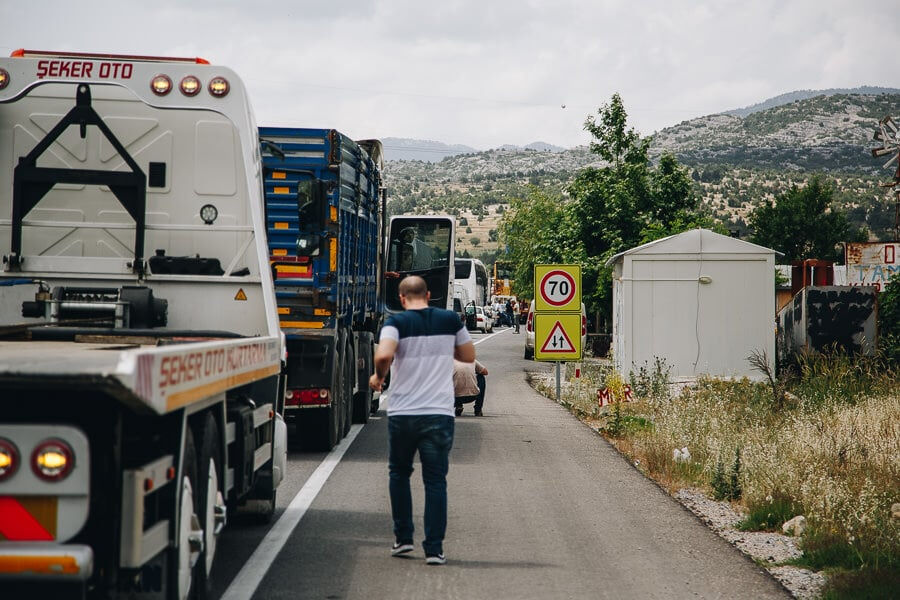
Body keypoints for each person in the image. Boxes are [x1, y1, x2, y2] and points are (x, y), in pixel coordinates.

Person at [369, 275, 475, 566]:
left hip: (403, 413)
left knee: (399, 473)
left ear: (402, 299)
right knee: (435, 480)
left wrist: (379, 376)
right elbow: (468, 355)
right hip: (439, 413)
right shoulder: (449, 320)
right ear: (428, 295)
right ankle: (434, 549)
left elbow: (384, 355)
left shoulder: (395, 323)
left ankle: (403, 539)